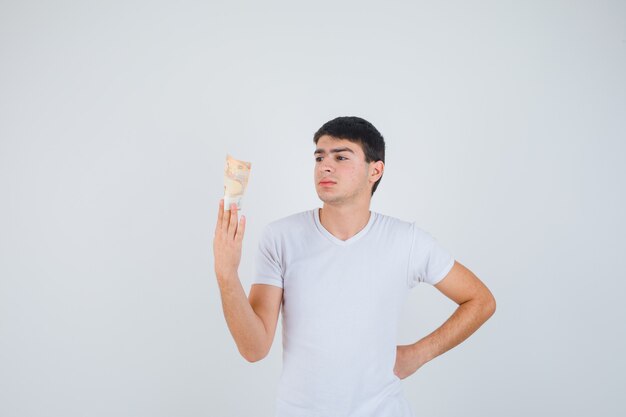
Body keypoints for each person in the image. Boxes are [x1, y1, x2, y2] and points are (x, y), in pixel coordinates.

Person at [213, 116, 496, 417]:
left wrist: (418, 354)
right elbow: (254, 349)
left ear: (375, 170)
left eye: (341, 157)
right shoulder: (281, 237)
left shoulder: (407, 241)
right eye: (319, 157)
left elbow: (480, 301)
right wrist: (227, 275)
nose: (325, 166)